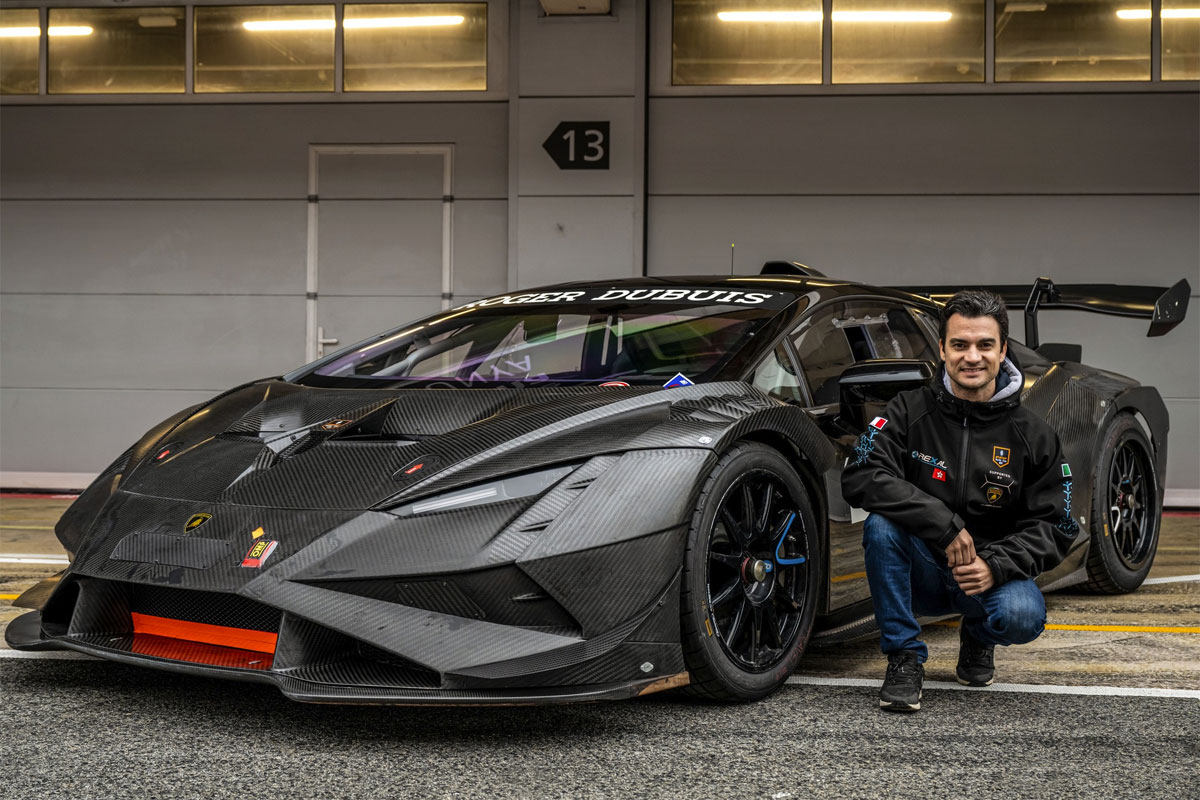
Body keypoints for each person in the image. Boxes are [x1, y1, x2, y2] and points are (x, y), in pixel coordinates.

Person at [842, 290, 1079, 712]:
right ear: (942, 349)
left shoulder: (1035, 434)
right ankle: (904, 657)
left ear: (1002, 350)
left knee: (1022, 617)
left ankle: (979, 634)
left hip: (988, 576)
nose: (972, 357)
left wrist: (995, 565)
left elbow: (1057, 525)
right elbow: (861, 473)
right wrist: (943, 525)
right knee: (882, 525)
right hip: (921, 570)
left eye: (985, 345)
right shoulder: (906, 410)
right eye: (960, 344)